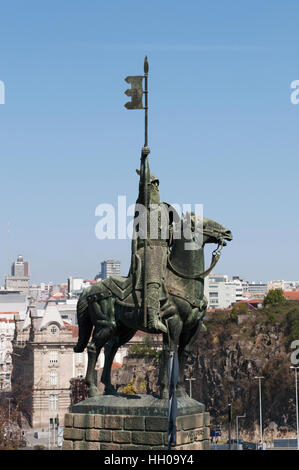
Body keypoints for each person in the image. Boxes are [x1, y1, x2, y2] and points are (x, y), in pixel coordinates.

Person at [131, 146, 179, 334]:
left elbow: (175, 232)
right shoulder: (143, 205)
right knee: (152, 277)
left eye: (157, 184)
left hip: (164, 250)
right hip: (148, 250)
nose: (155, 187)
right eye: (153, 184)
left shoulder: (166, 208)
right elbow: (142, 184)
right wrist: (144, 161)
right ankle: (152, 317)